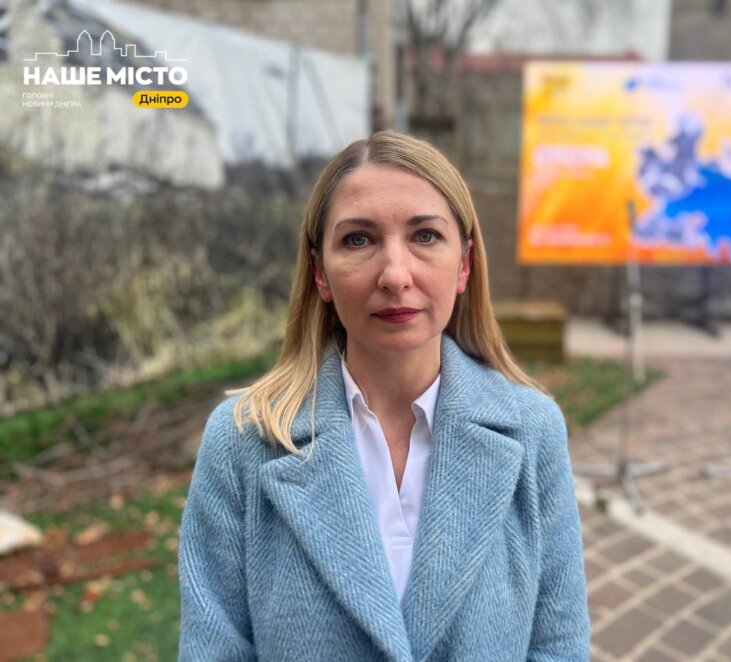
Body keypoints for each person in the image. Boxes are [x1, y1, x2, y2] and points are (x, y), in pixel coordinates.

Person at [177, 131, 590, 661]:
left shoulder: (533, 429)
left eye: (425, 236)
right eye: (358, 240)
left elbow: (558, 646)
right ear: (320, 273)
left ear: (464, 264)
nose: (395, 276)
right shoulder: (242, 440)